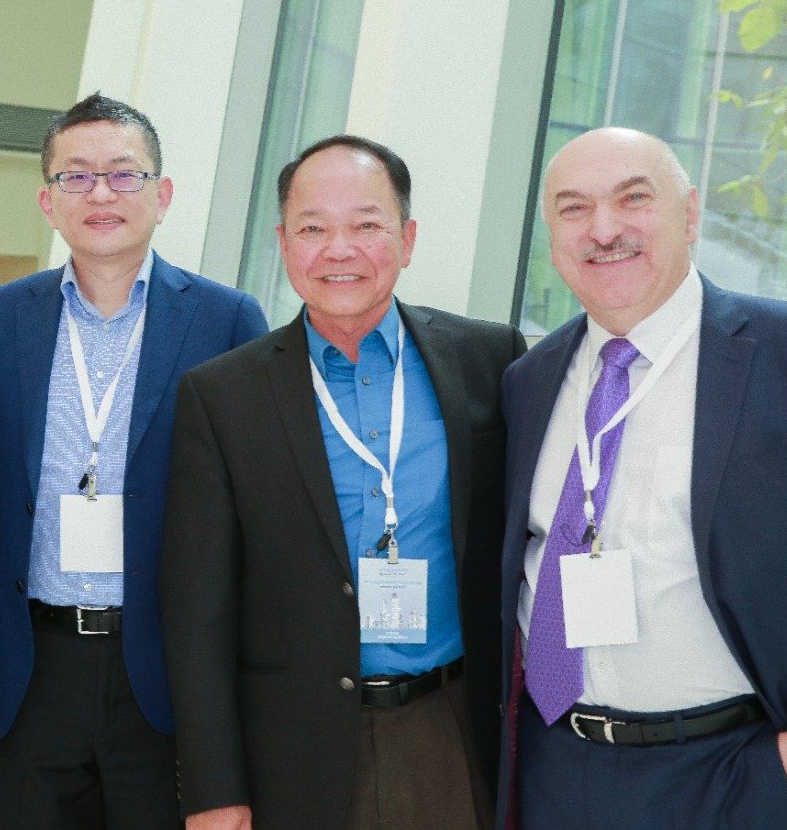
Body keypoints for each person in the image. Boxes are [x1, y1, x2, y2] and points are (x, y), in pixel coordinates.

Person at [499, 127, 787, 828]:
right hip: (556, 769)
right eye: (574, 208)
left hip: (742, 770)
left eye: (633, 198)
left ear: (691, 214)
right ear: (552, 238)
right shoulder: (528, 380)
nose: (604, 229)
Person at [160, 135, 526, 829]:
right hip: (292, 750)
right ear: (283, 243)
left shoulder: (489, 359)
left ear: (407, 239)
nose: (339, 249)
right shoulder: (223, 396)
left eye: (366, 225)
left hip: (451, 728)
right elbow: (196, 611)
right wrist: (213, 788)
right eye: (312, 229)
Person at [0, 92, 268, 828]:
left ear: (163, 194)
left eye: (124, 174)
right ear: (48, 200)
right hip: (32, 669)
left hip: (166, 670)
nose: (100, 194)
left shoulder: (227, 320)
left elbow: (254, 523)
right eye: (76, 176)